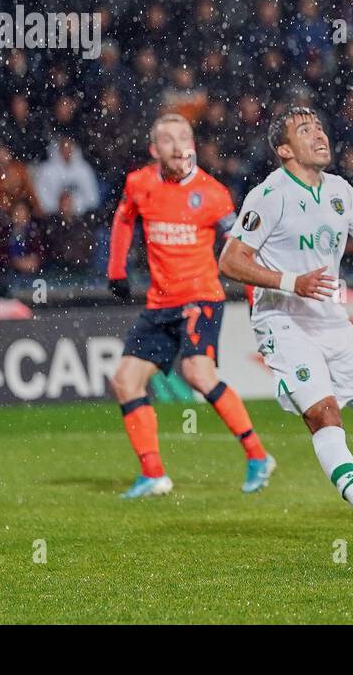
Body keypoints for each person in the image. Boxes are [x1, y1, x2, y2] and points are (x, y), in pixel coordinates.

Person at [218, 106, 353, 545]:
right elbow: (231, 261)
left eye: (319, 127)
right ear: (283, 150)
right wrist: (292, 282)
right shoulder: (269, 195)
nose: (319, 135)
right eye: (304, 130)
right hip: (282, 320)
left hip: (329, 318)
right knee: (324, 412)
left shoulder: (339, 190)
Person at [106, 113, 274, 499]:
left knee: (198, 373)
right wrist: (116, 270)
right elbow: (123, 219)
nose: (178, 144)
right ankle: (154, 474)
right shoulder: (139, 184)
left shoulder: (213, 194)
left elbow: (238, 252)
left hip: (201, 297)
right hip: (159, 302)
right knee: (125, 382)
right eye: (168, 139)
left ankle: (257, 455)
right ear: (154, 150)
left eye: (185, 137)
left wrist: (253, 298)